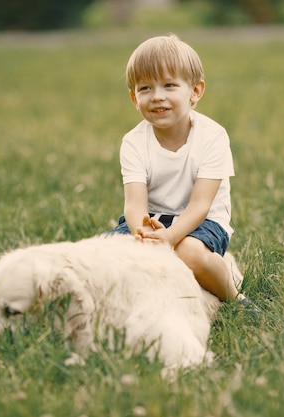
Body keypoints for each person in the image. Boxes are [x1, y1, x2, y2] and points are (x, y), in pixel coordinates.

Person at [108, 34, 252, 306]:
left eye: (169, 85)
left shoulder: (212, 136)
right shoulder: (133, 142)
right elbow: (134, 203)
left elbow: (200, 204)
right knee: (107, 252)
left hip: (204, 221)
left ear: (195, 91)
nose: (157, 96)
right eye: (145, 88)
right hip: (151, 218)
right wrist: (144, 234)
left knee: (189, 253)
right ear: (133, 98)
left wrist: (171, 237)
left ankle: (235, 298)